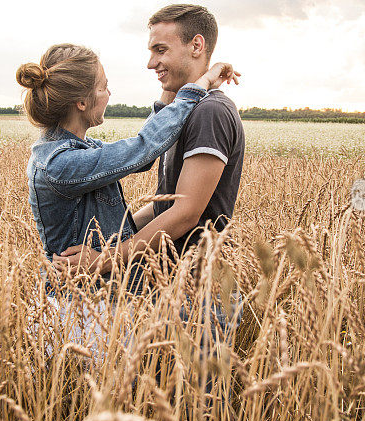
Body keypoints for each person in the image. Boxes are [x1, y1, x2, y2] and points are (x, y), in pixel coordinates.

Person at [19, 42, 238, 278]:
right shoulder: (61, 163)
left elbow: (141, 157)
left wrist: (171, 87)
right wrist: (200, 84)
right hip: (80, 300)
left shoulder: (79, 149)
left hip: (90, 296)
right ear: (82, 102)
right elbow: (142, 148)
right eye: (104, 88)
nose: (109, 94)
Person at [55, 4, 245, 272]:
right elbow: (163, 205)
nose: (151, 63)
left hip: (198, 286)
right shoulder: (183, 113)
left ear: (196, 46)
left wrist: (106, 258)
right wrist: (110, 239)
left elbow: (185, 213)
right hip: (172, 281)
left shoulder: (210, 112)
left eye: (161, 50)